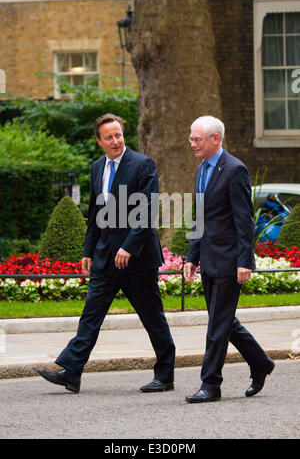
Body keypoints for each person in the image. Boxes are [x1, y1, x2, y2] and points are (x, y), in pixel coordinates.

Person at [38, 113, 175, 394]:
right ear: (98, 141)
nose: (115, 140)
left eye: (119, 135)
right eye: (109, 137)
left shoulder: (143, 164)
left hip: (137, 259)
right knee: (91, 315)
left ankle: (165, 375)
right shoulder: (97, 167)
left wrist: (129, 245)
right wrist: (89, 250)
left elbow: (147, 210)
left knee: (152, 317)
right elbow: (96, 213)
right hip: (105, 259)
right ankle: (72, 371)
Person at [184, 115, 274, 403]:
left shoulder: (235, 169)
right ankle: (261, 362)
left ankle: (211, 385)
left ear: (215, 139)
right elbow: (199, 218)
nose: (192, 143)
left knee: (217, 326)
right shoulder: (200, 171)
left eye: (197, 139)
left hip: (229, 261)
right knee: (222, 321)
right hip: (209, 259)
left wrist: (244, 261)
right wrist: (191, 257)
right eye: (191, 138)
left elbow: (244, 220)